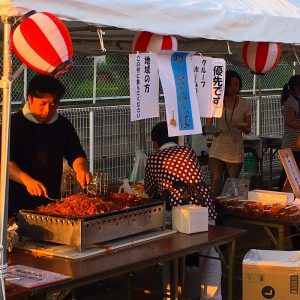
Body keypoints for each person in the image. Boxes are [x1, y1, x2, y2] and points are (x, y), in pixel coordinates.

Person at [145, 121, 221, 300]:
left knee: (172, 256)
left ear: (155, 143)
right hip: (204, 208)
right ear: (177, 138)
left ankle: (171, 297)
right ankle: (212, 297)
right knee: (209, 253)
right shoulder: (188, 152)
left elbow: (150, 191)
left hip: (179, 213)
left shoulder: (155, 158)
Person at [7, 74, 92, 217]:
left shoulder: (62, 125)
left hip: (51, 202)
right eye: (43, 103)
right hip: (15, 203)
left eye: (53, 104)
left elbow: (75, 153)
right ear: (30, 98)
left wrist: (81, 170)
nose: (47, 110)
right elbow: (5, 163)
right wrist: (27, 181)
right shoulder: (13, 125)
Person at [204, 70, 252, 198]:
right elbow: (207, 128)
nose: (234, 88)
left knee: (231, 184)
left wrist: (242, 126)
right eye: (230, 84)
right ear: (224, 85)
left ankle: (227, 212)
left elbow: (248, 129)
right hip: (217, 149)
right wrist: (213, 130)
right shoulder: (216, 102)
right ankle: (213, 211)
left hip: (235, 150)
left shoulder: (245, 104)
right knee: (216, 181)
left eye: (236, 84)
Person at [278, 75, 300, 191]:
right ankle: (282, 194)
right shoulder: (293, 101)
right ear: (297, 87)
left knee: (290, 172)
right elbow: (288, 121)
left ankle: (283, 193)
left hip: (294, 143)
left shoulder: (294, 100)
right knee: (289, 172)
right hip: (292, 144)